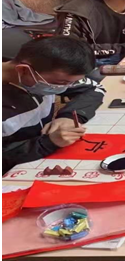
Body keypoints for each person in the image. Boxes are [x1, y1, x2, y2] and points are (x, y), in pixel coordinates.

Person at [3, 37, 104, 174]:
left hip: (40, 158)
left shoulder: (41, 76)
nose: (65, 87)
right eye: (61, 82)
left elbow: (95, 88)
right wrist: (47, 143)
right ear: (24, 70)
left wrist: (68, 117)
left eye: (71, 82)